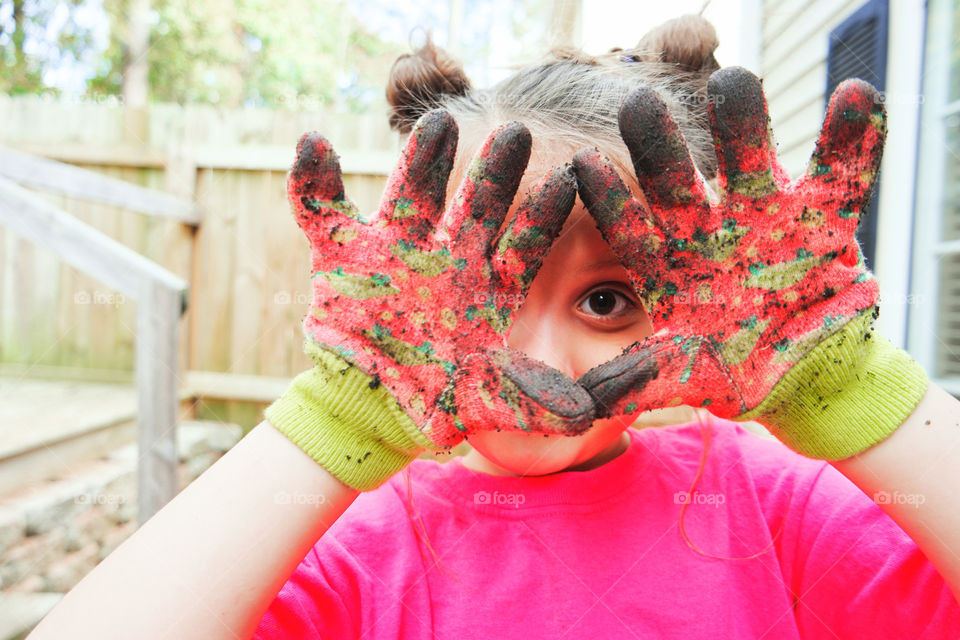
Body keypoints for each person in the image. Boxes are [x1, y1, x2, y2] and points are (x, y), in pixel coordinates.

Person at [27, 16, 960, 640]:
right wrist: (340, 418)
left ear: (707, 304)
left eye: (608, 300)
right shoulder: (361, 544)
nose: (537, 366)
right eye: (490, 289)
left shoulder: (774, 509)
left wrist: (855, 394)